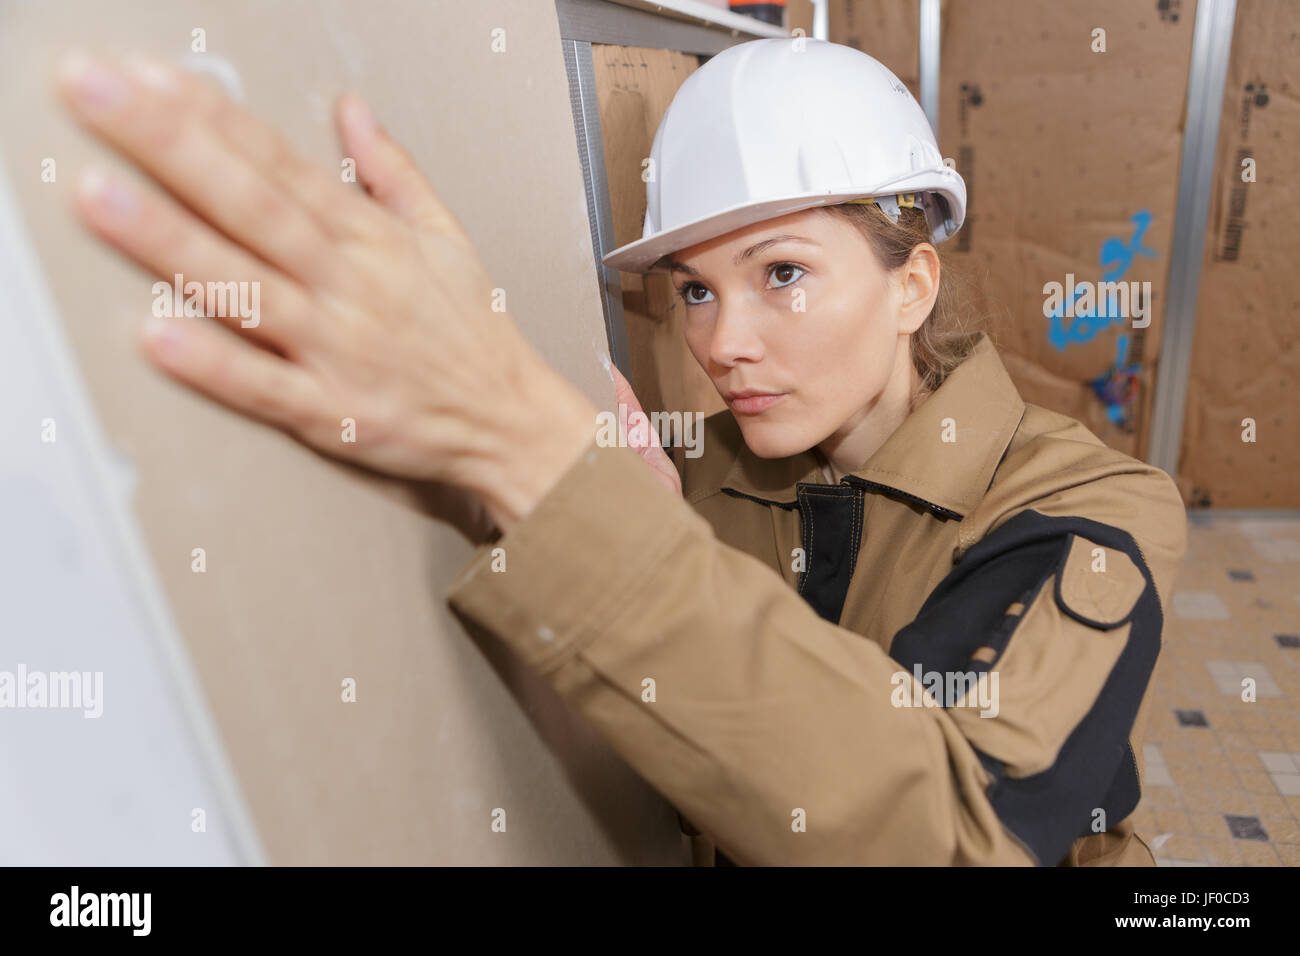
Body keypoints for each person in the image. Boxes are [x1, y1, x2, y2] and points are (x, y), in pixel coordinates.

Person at [54, 37, 1187, 866]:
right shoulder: (699, 467)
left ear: (912, 283)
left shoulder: (1094, 515)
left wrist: (537, 452)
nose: (722, 343)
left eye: (781, 272)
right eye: (694, 288)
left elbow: (951, 829)